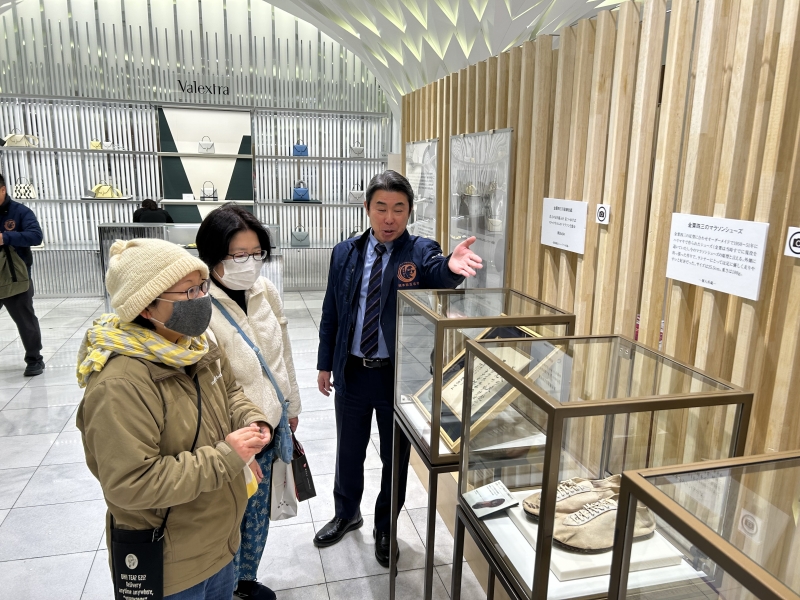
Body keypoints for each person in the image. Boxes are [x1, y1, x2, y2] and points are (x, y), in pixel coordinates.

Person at [76, 238, 272, 600]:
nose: (201, 299)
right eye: (187, 292)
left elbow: (230, 392)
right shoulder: (120, 384)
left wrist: (251, 420)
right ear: (145, 307)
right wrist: (226, 458)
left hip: (218, 545)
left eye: (202, 286)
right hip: (170, 563)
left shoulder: (197, 345)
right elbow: (130, 483)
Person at [314, 170, 482, 566]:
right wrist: (325, 363)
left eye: (399, 209)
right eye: (381, 208)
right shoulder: (345, 253)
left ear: (409, 211)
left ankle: (385, 525)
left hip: (399, 376)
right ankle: (346, 513)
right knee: (348, 450)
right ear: (368, 208)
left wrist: (452, 267)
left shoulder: (420, 251)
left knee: (395, 457)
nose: (389, 218)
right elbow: (331, 311)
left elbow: (438, 271)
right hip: (353, 371)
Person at [196, 204, 302, 600]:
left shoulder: (265, 291)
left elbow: (282, 353)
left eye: (256, 253)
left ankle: (245, 581)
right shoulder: (199, 304)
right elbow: (206, 388)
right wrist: (232, 447)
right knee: (229, 517)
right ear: (213, 255)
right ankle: (223, 587)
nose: (250, 263)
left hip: (271, 426)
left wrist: (291, 407)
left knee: (258, 515)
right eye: (238, 255)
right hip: (231, 439)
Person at [0, 173, 45, 376]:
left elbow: (36, 236)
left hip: (16, 278)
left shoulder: (20, 212)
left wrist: (5, 237)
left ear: (3, 190)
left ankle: (34, 359)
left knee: (25, 319)